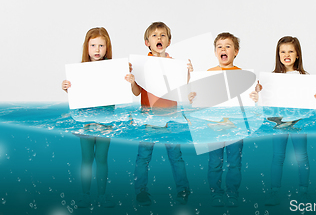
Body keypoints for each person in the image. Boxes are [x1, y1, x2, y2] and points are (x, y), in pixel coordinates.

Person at [62, 27, 130, 208]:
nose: (97, 49)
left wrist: (128, 80)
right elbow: (74, 91)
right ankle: (85, 195)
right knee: (86, 158)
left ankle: (101, 195)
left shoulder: (115, 70)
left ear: (107, 47)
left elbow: (123, 90)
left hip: (106, 121)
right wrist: (67, 86)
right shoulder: (79, 71)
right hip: (85, 122)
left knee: (101, 158)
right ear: (87, 47)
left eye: (101, 45)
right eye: (93, 45)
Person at [250, 36, 316, 206]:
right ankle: (274, 192)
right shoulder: (271, 79)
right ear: (278, 55)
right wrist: (259, 92)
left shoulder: (305, 78)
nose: (286, 54)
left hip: (298, 122)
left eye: (291, 51)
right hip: (279, 123)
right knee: (278, 157)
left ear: (298, 55)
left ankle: (303, 192)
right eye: (283, 51)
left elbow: (310, 104)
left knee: (302, 157)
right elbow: (263, 104)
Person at [128, 22, 193, 206]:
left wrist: (188, 73)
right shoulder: (142, 65)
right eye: (155, 35)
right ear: (147, 42)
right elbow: (135, 93)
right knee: (143, 157)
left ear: (169, 41)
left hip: (171, 117)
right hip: (148, 118)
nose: (159, 38)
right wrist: (133, 80)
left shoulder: (175, 65)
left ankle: (183, 190)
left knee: (176, 156)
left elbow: (184, 89)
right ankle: (140, 191)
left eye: (163, 35)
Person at [189, 32, 245, 207]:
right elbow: (199, 102)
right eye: (219, 46)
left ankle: (232, 193)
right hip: (213, 127)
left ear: (236, 52)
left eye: (228, 46)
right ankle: (216, 193)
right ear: (215, 52)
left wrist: (255, 93)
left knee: (234, 163)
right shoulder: (208, 74)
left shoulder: (243, 75)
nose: (223, 49)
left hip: (236, 127)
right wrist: (193, 98)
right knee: (215, 162)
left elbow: (248, 103)